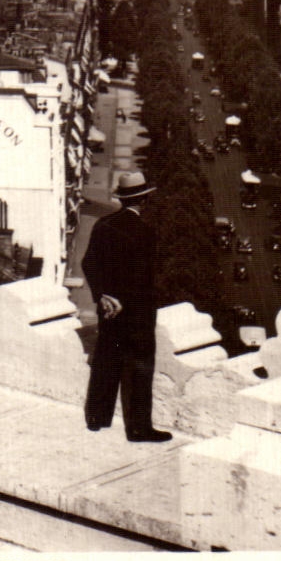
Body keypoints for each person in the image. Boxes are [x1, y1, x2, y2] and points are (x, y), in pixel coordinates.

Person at [81, 170, 173, 442]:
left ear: (122, 199)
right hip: (137, 311)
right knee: (139, 368)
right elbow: (147, 276)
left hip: (109, 308)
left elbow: (88, 263)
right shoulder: (145, 231)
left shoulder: (103, 224)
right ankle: (138, 428)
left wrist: (102, 296)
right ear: (143, 200)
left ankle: (97, 417)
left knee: (106, 359)